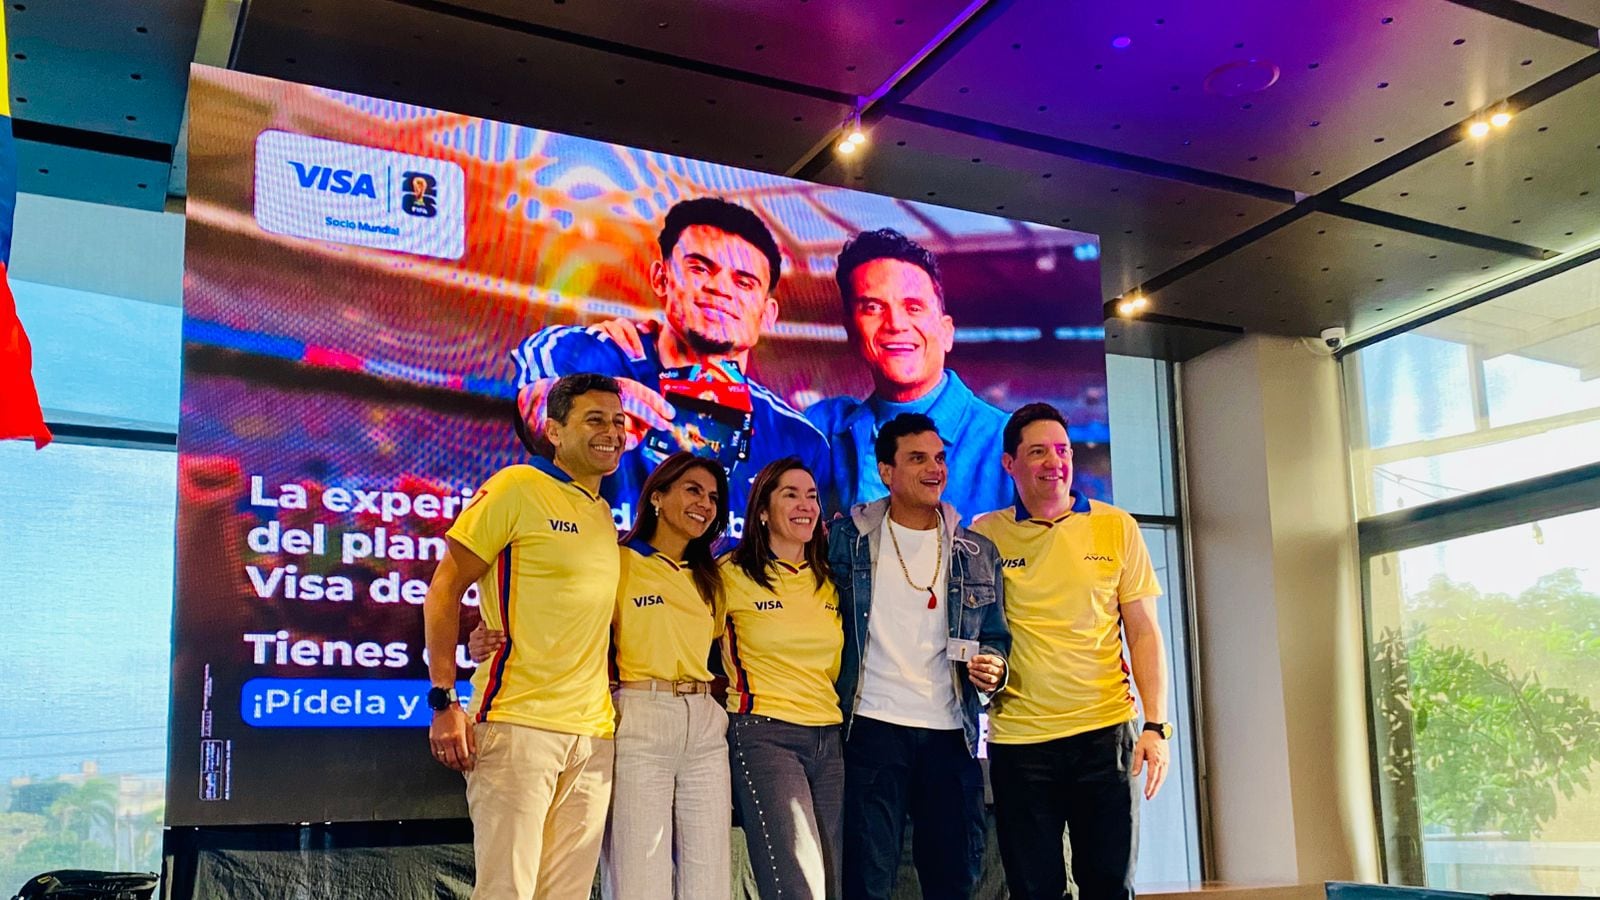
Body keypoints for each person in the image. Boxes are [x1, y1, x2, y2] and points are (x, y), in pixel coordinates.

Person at [469, 452, 735, 900]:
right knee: (638, 875)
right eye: (693, 490)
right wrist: (483, 637)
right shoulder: (617, 561)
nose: (704, 504)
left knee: (710, 876)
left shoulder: (713, 577)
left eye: (713, 497)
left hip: (705, 722)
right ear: (657, 496)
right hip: (636, 713)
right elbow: (560, 615)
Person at [422, 373, 628, 900]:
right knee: (506, 891)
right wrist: (443, 699)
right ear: (554, 431)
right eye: (595, 419)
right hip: (518, 726)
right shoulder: (517, 486)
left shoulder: (602, 513)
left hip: (592, 735)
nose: (612, 432)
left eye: (619, 421)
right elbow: (444, 590)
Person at [511, 196, 829, 536]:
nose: (719, 288)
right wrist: (596, 407)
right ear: (661, 278)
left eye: (743, 282)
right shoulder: (584, 352)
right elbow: (537, 407)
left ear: (768, 314)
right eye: (700, 268)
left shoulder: (799, 438)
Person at [971, 402, 1172, 900]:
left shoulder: (1116, 526)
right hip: (1020, 744)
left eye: (1061, 450)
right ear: (1009, 463)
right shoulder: (983, 534)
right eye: (1037, 451)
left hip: (1104, 738)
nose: (1054, 462)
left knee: (1108, 885)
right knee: (1033, 889)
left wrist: (1155, 725)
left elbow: (1144, 631)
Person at [825, 412, 1011, 900]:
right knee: (868, 881)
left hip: (951, 734)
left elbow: (995, 638)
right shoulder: (846, 541)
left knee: (954, 881)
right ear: (886, 470)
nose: (935, 469)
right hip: (870, 728)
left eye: (940, 458)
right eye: (917, 458)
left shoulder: (976, 551)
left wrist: (994, 668)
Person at [806, 229, 1013, 521]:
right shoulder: (823, 431)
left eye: (913, 307)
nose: (896, 323)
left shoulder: (1008, 442)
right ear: (851, 332)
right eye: (873, 307)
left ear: (946, 332)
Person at [721, 457, 845, 900]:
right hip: (764, 735)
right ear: (761, 511)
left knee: (830, 884)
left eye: (811, 495)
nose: (805, 505)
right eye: (790, 495)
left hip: (828, 740)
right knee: (797, 883)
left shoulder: (831, 580)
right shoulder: (729, 575)